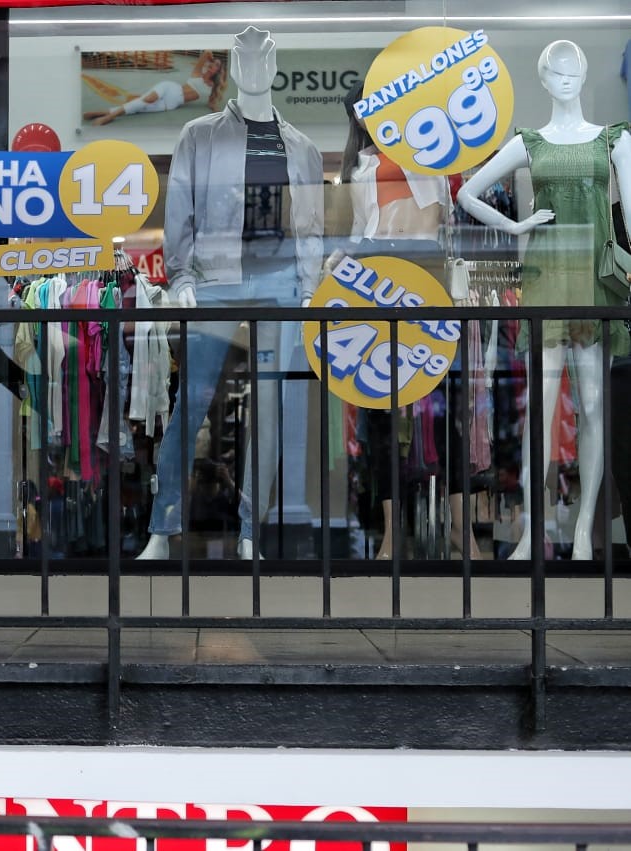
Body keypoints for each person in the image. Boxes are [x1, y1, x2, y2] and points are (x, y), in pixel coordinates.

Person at [137, 27, 324, 561]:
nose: (253, 68)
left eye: (262, 57)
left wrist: (308, 290)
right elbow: (180, 211)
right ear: (232, 68)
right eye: (242, 58)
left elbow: (310, 230)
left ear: (274, 64)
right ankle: (162, 526)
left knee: (268, 409)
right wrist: (181, 277)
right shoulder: (200, 134)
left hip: (279, 287)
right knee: (189, 404)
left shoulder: (304, 148)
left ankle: (250, 532)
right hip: (215, 283)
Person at [458, 40, 631, 561]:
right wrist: (516, 224)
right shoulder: (529, 142)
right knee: (541, 406)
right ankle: (535, 530)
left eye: (573, 69)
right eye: (555, 71)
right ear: (542, 78)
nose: (566, 77)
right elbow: (467, 192)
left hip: (595, 280)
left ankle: (581, 531)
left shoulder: (614, 141)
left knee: (595, 405)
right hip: (546, 278)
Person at [336, 81, 483, 561]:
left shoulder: (426, 151)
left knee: (443, 412)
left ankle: (464, 531)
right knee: (380, 418)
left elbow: (440, 212)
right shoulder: (358, 166)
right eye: (358, 114)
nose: (365, 119)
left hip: (423, 285)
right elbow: (363, 231)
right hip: (376, 289)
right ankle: (392, 532)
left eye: (371, 108)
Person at [83, 51, 227, 126]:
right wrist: (210, 59)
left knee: (139, 107)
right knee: (148, 99)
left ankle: (100, 112)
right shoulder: (197, 72)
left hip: (172, 103)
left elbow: (212, 104)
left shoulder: (212, 87)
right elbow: (206, 52)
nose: (212, 66)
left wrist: (218, 112)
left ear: (218, 71)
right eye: (212, 63)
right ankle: (109, 117)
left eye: (216, 65)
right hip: (170, 88)